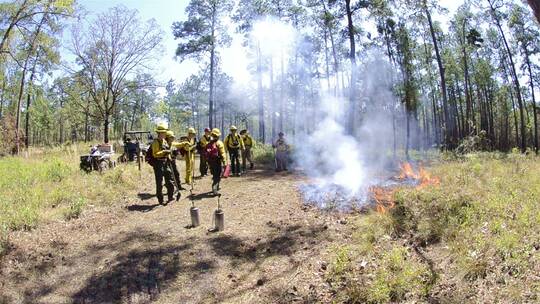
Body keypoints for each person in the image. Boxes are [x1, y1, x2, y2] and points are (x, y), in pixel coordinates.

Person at [151, 124, 175, 205]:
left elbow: (168, 150)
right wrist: (164, 152)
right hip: (158, 163)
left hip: (165, 162)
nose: (165, 134)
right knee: (159, 182)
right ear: (160, 133)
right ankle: (160, 200)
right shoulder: (155, 142)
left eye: (165, 132)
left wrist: (169, 157)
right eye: (164, 132)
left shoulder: (164, 141)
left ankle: (170, 196)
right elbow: (155, 154)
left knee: (170, 179)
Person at [204, 128, 226, 195]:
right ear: (218, 135)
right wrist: (224, 162)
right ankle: (214, 189)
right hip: (217, 161)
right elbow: (222, 153)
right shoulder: (219, 143)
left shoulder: (209, 143)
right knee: (217, 176)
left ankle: (216, 187)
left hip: (211, 162)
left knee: (214, 175)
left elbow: (206, 154)